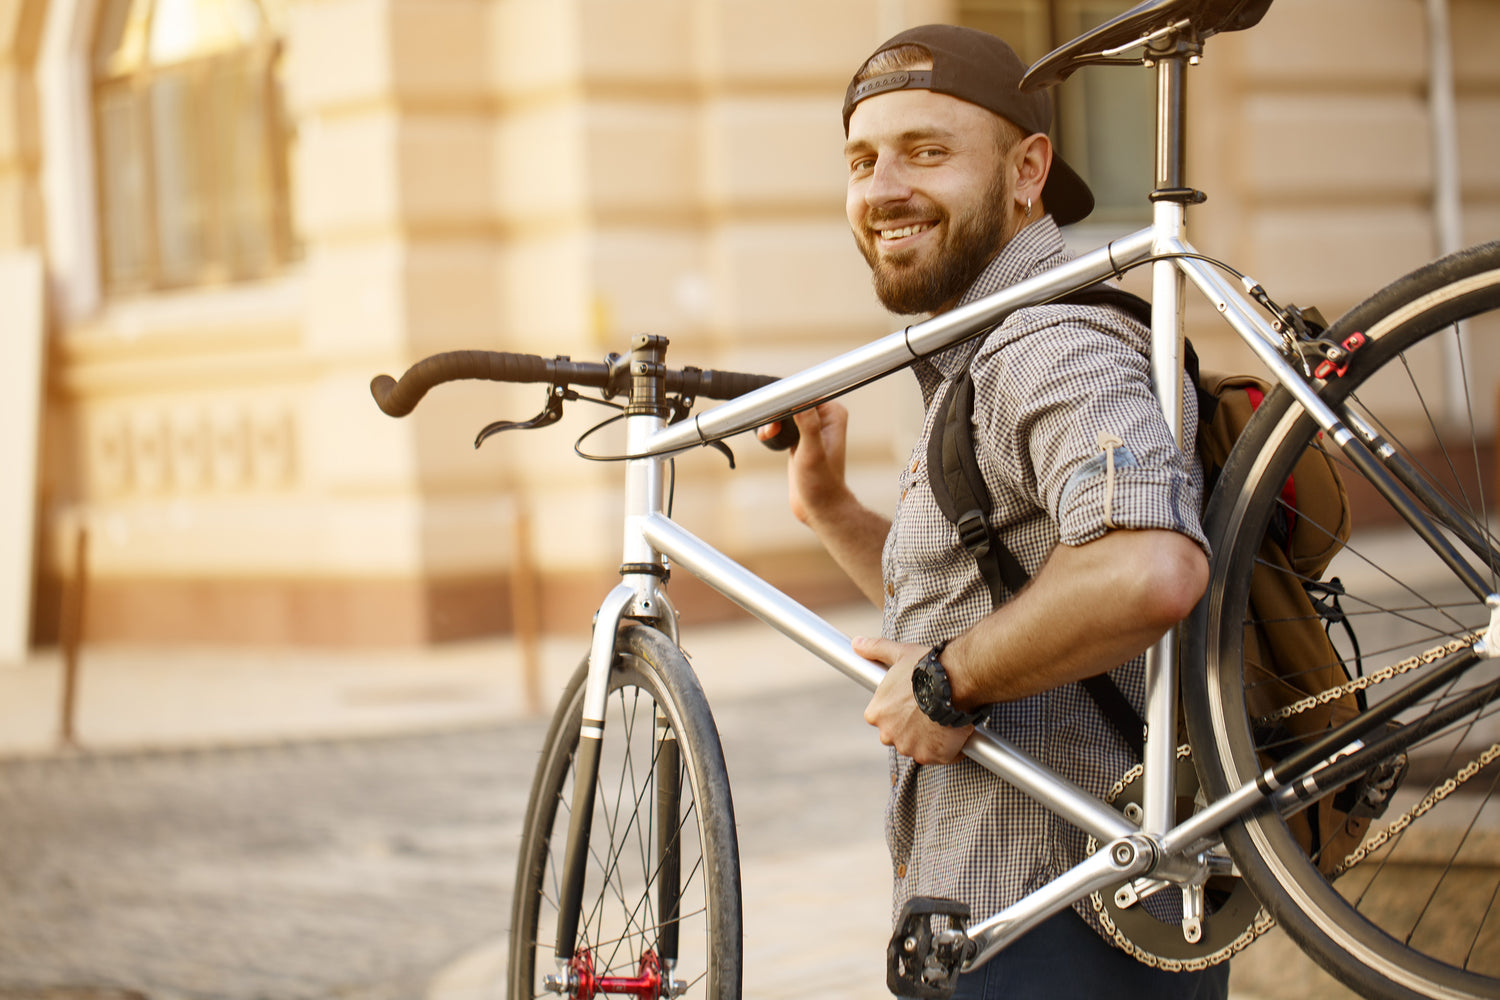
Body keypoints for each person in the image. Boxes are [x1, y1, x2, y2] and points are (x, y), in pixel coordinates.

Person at [759, 24, 1228, 1000]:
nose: (882, 188)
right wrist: (830, 509)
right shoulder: (985, 353)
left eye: (926, 152)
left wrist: (943, 682)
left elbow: (1146, 568)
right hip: (1032, 917)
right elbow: (1001, 589)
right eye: (861, 159)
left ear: (1027, 172)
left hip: (1065, 926)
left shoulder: (1044, 346)